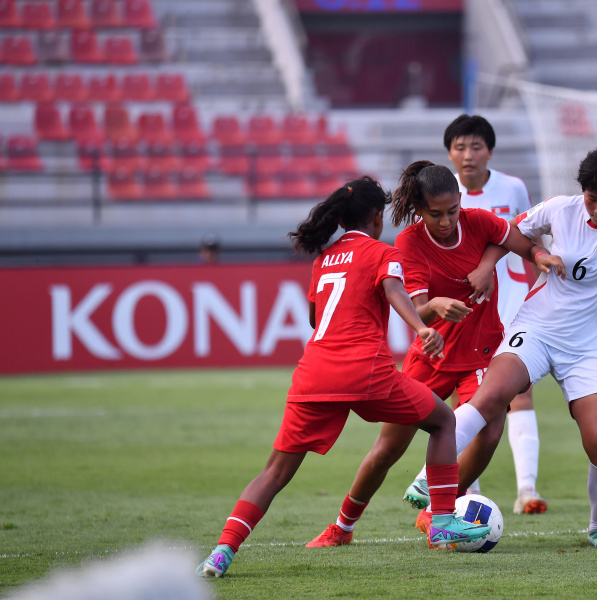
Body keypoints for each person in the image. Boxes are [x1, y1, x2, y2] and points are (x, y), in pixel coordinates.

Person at [195, 177, 492, 578]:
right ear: (375, 216)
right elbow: (393, 290)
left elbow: (317, 319)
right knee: (444, 420)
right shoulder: (382, 252)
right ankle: (441, 525)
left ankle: (221, 552)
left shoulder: (323, 259)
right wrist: (421, 329)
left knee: (274, 472)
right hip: (366, 370)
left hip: (314, 374)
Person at [406, 146, 597, 550]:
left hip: (589, 348)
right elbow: (509, 233)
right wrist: (498, 263)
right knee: (493, 396)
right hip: (536, 329)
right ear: (583, 191)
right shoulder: (560, 208)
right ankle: (426, 479)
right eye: (592, 198)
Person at [304, 161, 562, 548]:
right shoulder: (408, 242)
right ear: (419, 211)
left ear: (461, 201)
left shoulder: (478, 221)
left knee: (491, 429)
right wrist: (437, 307)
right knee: (389, 447)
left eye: (452, 211)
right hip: (432, 354)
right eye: (435, 214)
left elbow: (517, 241)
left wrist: (537, 258)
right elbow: (417, 308)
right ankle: (342, 526)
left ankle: (437, 511)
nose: (445, 222)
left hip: (479, 352)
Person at [444, 114, 547, 514]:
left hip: (512, 306)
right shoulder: (439, 194)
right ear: (449, 152)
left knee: (520, 393)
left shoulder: (512, 188)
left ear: (490, 150)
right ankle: (467, 493)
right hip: (464, 313)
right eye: (460, 147)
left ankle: (528, 491)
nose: (468, 155)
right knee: (466, 400)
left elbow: (530, 240)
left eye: (476, 147)